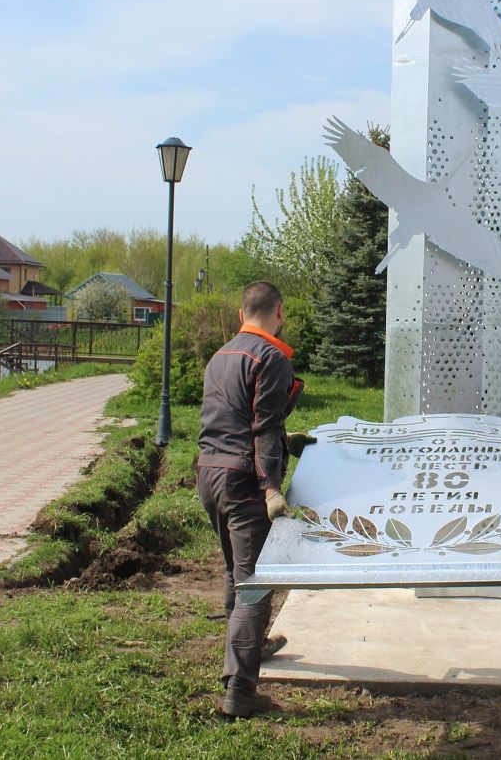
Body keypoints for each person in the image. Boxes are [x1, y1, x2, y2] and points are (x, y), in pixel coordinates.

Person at [196, 280, 312, 718]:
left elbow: (235, 417)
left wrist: (287, 440)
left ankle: (252, 646)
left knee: (235, 570)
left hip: (209, 473)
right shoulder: (272, 356)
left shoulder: (220, 355)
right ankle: (240, 690)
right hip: (245, 482)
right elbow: (261, 426)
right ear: (278, 311)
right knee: (254, 583)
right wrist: (271, 487)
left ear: (242, 311)